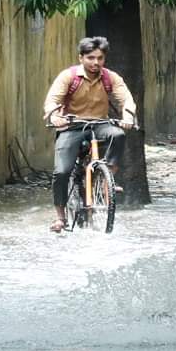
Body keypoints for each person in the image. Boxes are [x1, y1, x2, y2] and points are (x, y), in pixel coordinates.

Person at [43, 36, 136, 233]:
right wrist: (55, 118)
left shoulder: (110, 77)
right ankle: (60, 217)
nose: (96, 62)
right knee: (61, 172)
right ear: (81, 58)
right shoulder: (68, 77)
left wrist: (128, 117)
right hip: (72, 126)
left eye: (100, 58)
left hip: (100, 124)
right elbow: (52, 101)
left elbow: (126, 99)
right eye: (91, 58)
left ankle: (106, 178)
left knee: (117, 135)